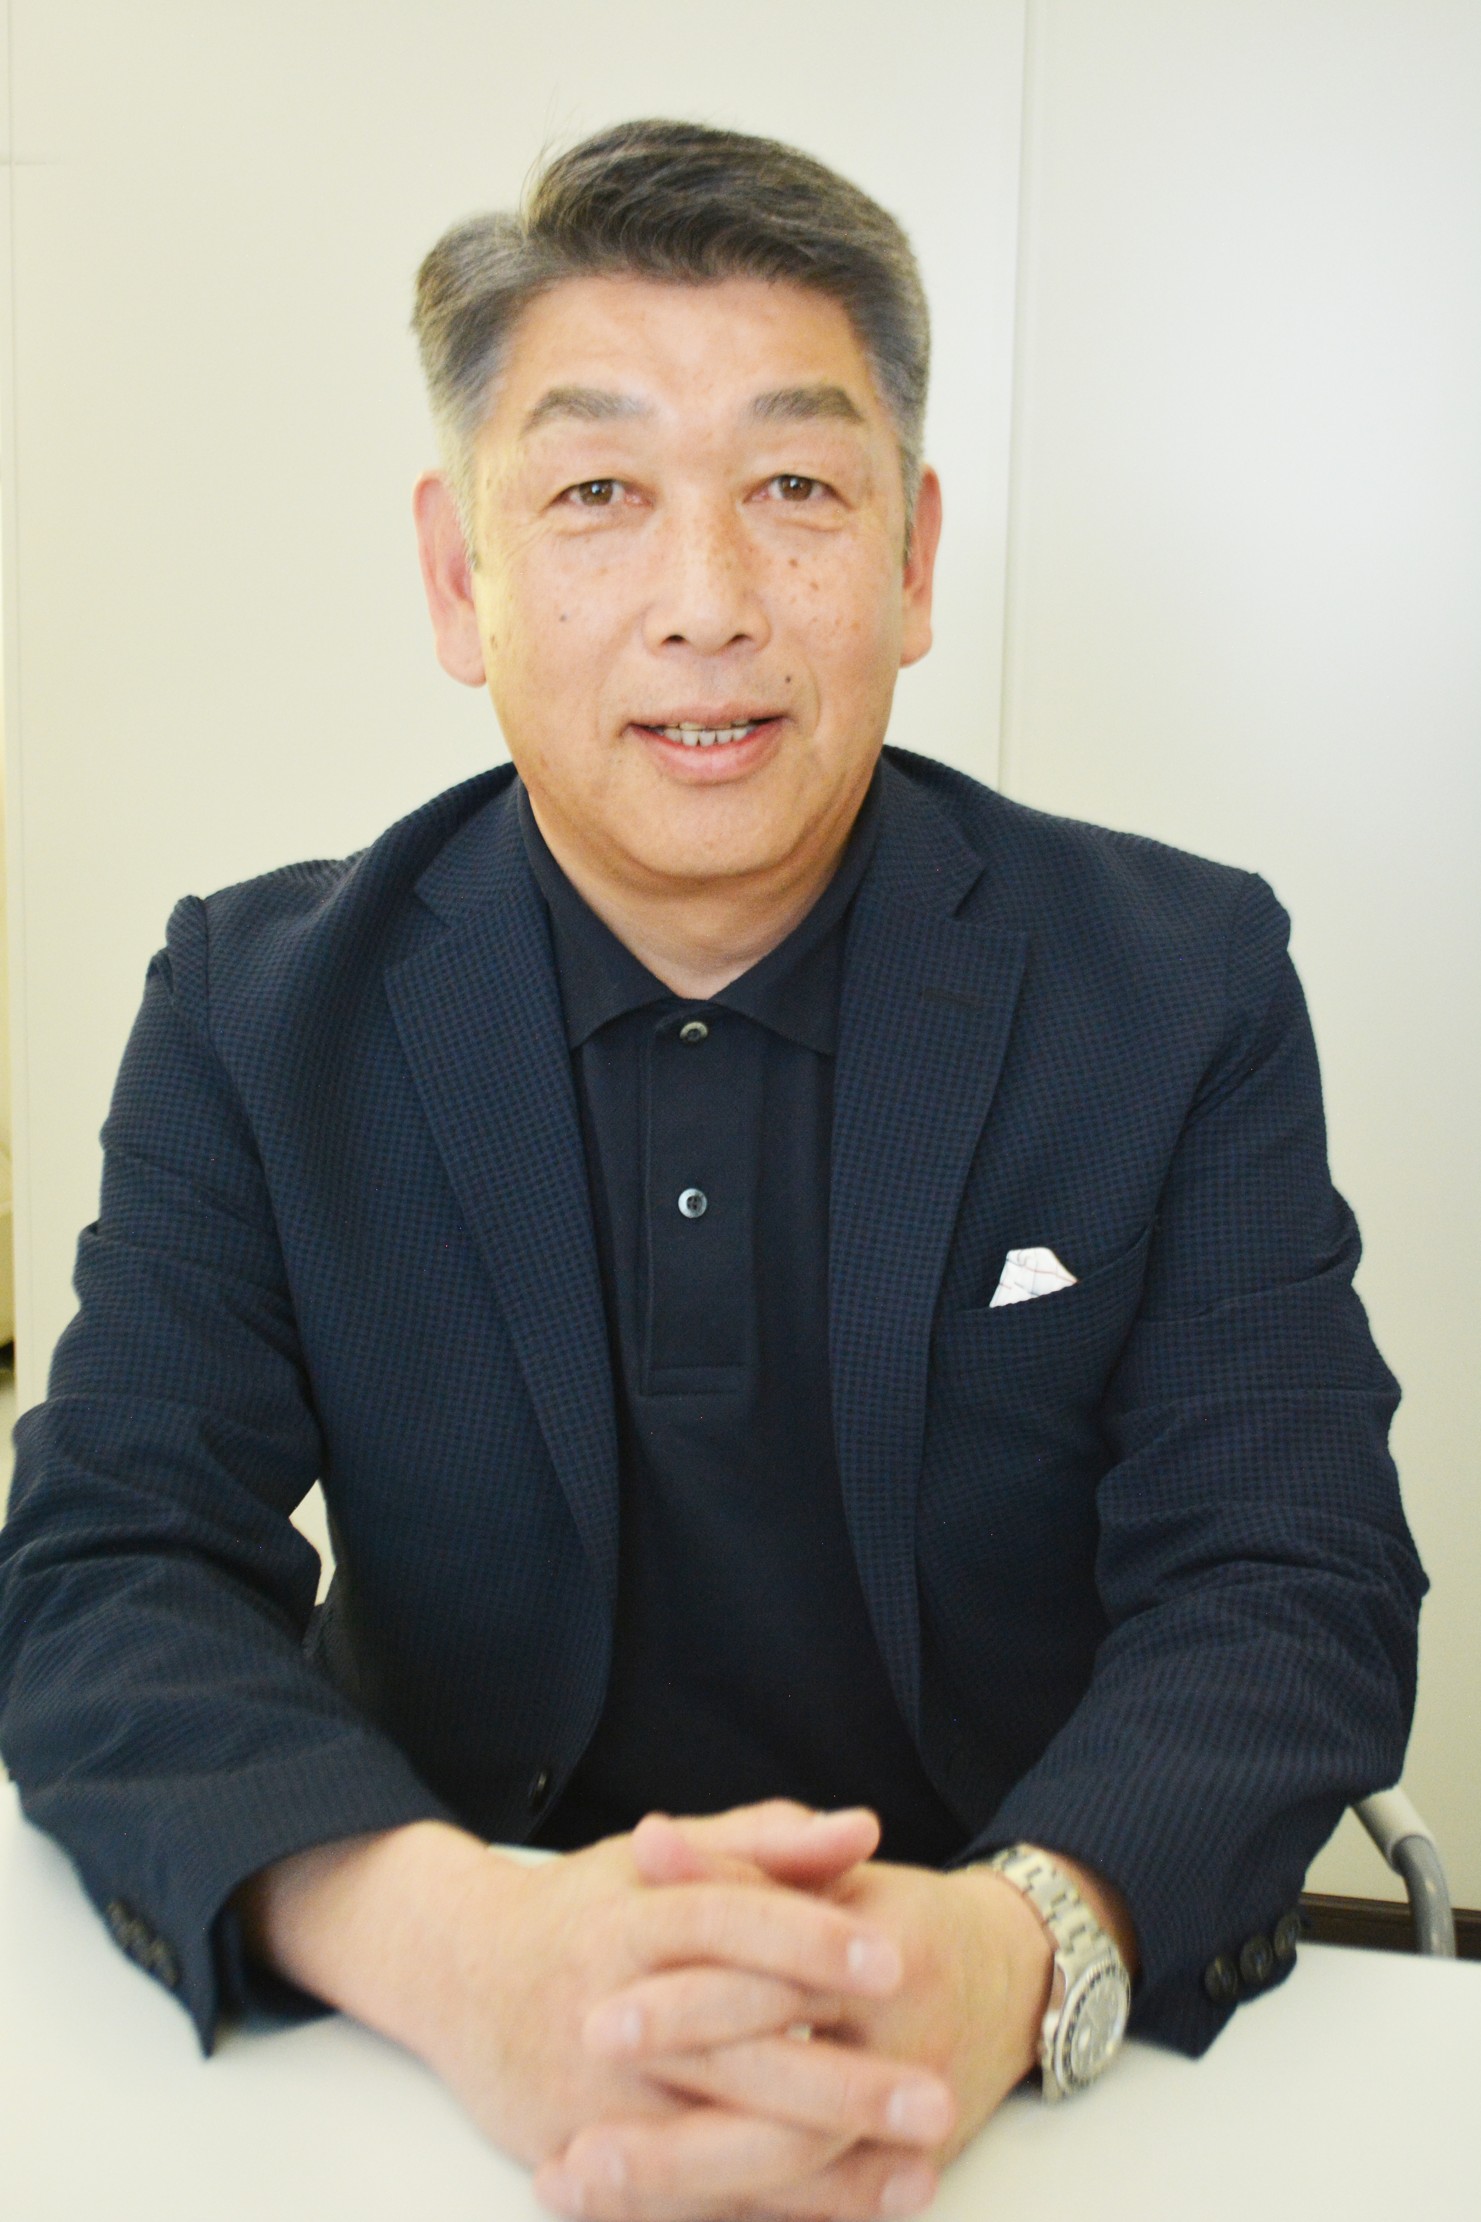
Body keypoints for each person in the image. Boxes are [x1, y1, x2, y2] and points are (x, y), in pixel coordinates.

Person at [0, 118, 1425, 2222]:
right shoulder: (257, 1008)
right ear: (458, 575)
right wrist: (448, 1944)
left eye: (795, 489)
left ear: (913, 557)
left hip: (1021, 2068)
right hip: (431, 2066)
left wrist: (1008, 1949)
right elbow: (111, 1564)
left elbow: (1289, 1573)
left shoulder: (1175, 984)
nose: (707, 604)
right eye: (596, 494)